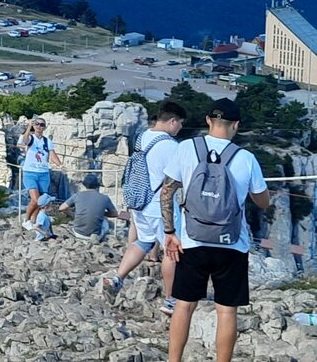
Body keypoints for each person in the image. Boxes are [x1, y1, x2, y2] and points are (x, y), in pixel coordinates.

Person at [161, 98, 269, 362]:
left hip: (193, 241)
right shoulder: (246, 158)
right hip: (232, 244)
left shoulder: (186, 148)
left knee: (184, 305)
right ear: (236, 125)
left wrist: (170, 232)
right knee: (226, 311)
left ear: (209, 120)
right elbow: (262, 202)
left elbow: (166, 192)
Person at [103, 101, 186, 314]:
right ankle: (171, 299)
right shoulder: (170, 146)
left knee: (143, 241)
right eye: (180, 124)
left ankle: (117, 279)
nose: (180, 129)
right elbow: (181, 176)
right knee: (172, 249)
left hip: (139, 202)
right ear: (172, 121)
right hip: (160, 204)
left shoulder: (143, 137)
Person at [19, 117, 64, 230]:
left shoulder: (47, 141)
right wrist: (29, 127)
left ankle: (34, 221)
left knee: (42, 201)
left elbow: (52, 155)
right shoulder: (31, 138)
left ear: (44, 127)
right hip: (30, 172)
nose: (39, 126)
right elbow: (25, 140)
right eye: (37, 124)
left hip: (43, 173)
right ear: (34, 126)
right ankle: (26, 219)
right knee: (35, 199)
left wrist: (60, 165)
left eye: (41, 125)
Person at [59, 174, 118, 240]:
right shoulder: (105, 198)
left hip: (78, 233)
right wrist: (102, 213)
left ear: (84, 184)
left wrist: (72, 214)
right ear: (97, 185)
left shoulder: (77, 195)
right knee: (105, 220)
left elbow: (61, 208)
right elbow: (115, 214)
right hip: (96, 236)